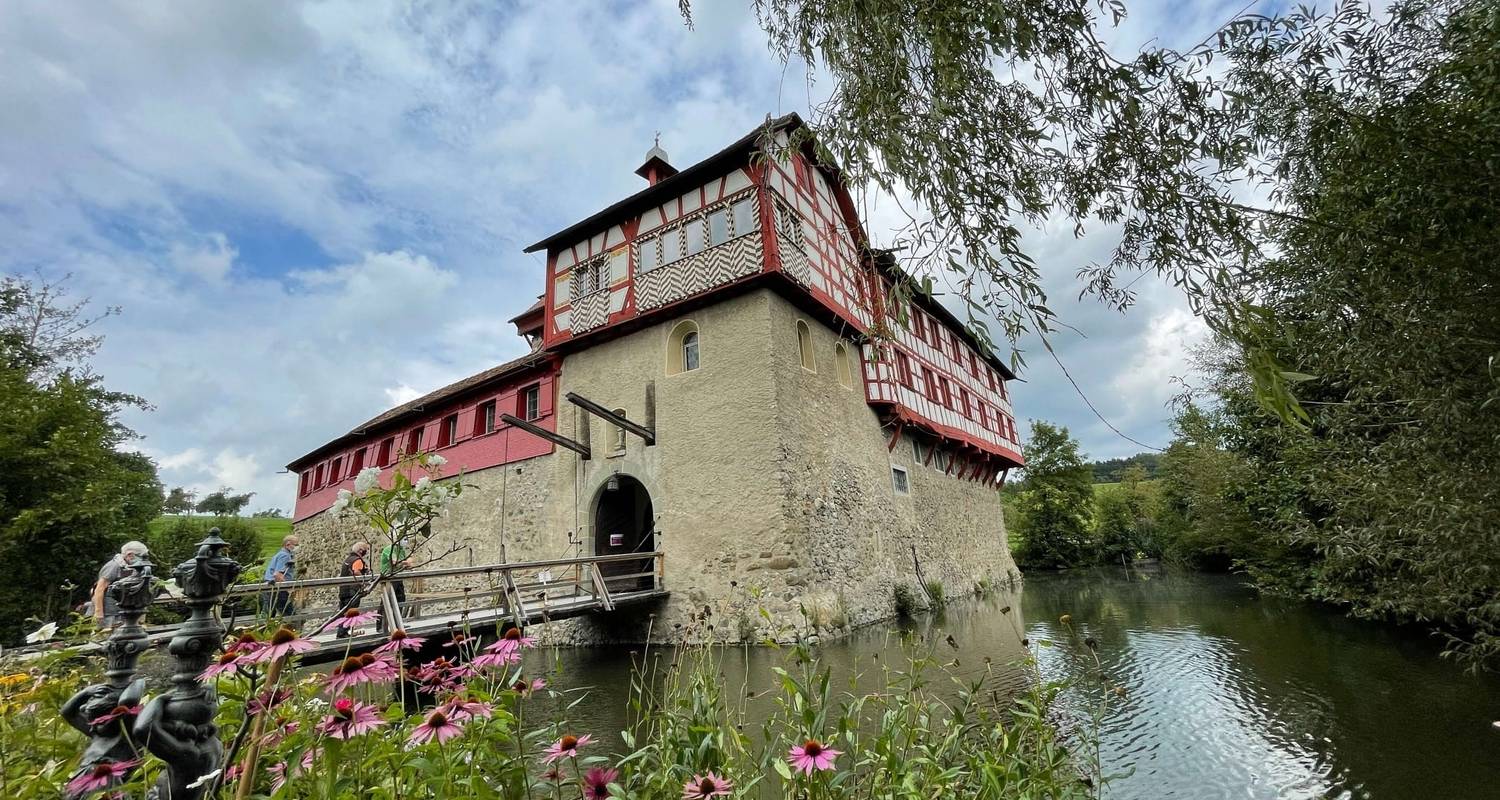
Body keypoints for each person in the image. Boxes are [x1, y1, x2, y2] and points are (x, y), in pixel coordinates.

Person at [93, 541, 149, 628]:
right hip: (109, 614)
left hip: (124, 611)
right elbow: (99, 589)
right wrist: (99, 613)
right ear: (130, 555)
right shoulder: (114, 566)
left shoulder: (132, 567)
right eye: (141, 556)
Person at [336, 541, 372, 639]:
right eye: (366, 549)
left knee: (343, 612)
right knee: (350, 612)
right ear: (361, 550)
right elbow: (356, 572)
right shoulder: (357, 560)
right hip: (352, 591)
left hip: (343, 590)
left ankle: (341, 633)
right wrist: (364, 581)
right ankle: (342, 633)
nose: (366, 552)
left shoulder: (347, 560)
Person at [377, 535, 413, 631]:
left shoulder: (401, 550)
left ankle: (398, 623)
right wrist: (407, 562)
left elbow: (406, 565)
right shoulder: (389, 549)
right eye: (404, 539)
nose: (406, 541)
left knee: (401, 599)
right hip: (389, 577)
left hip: (398, 576)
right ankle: (380, 626)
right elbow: (394, 562)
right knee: (386, 600)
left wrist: (408, 564)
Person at [263, 535, 299, 618]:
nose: (297, 547)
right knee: (290, 617)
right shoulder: (285, 556)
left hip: (269, 587)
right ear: (288, 544)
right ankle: (291, 630)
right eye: (296, 544)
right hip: (278, 589)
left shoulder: (279, 554)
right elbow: (277, 574)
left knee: (267, 616)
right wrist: (289, 589)